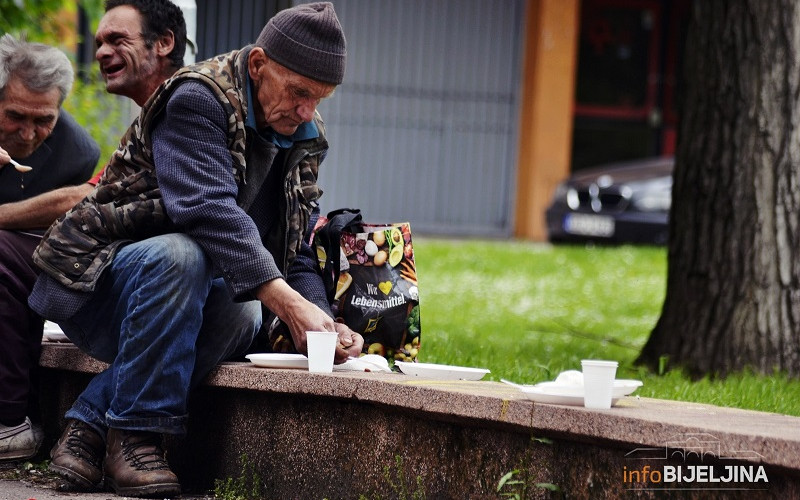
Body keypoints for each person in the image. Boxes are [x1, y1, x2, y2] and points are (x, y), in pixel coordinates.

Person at [29, 2, 363, 497]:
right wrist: (288, 305)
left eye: (320, 98)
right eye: (298, 92)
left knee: (245, 309)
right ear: (258, 66)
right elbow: (206, 211)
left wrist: (320, 319)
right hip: (99, 280)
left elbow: (292, 248)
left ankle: (91, 422)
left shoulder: (301, 134)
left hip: (182, 296)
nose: (307, 111)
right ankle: (138, 435)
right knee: (184, 254)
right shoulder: (198, 97)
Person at [0, 0, 186, 466]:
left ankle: (35, 421)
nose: (28, 134)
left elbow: (91, 196)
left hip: (128, 270)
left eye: (117, 40)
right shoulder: (150, 119)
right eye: (99, 41)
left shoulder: (185, 107)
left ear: (163, 44)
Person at [0, 34, 100, 462]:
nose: (28, 134)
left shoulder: (78, 152)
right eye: (14, 115)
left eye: (44, 120)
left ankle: (10, 421)